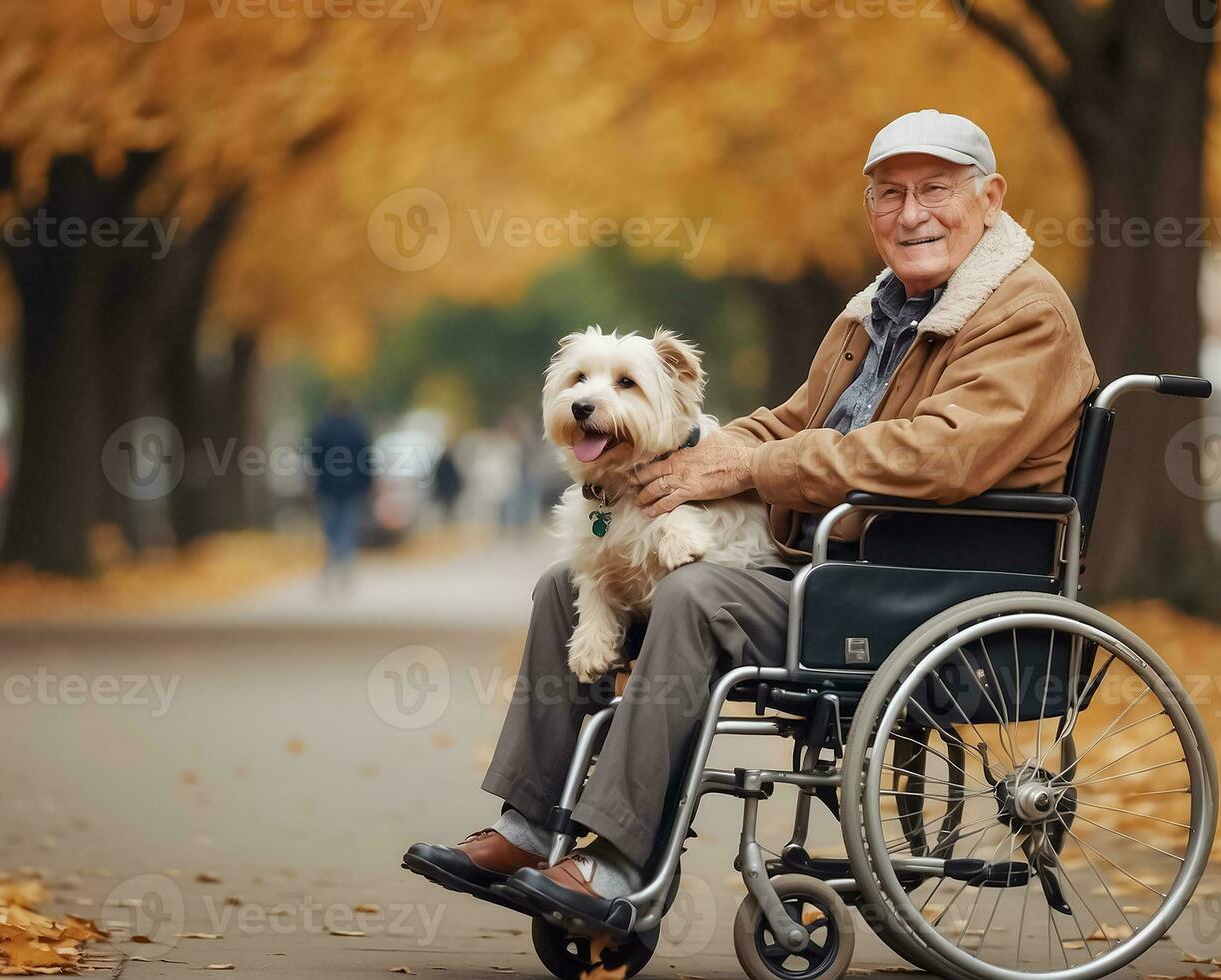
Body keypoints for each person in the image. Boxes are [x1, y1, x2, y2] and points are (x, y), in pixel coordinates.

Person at [404, 110, 1100, 928]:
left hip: (932, 590)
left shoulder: (1024, 312)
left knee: (696, 595)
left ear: (991, 198)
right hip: (838, 575)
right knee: (568, 584)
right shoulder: (876, 313)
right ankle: (529, 826)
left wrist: (748, 467)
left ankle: (619, 864)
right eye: (890, 195)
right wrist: (691, 456)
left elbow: (939, 455)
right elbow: (797, 420)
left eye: (936, 191)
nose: (912, 214)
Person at [308, 397, 372, 592]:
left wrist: (317, 478)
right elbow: (366, 459)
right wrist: (366, 485)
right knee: (347, 526)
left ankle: (332, 560)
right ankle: (344, 563)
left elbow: (314, 456)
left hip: (328, 486)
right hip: (351, 487)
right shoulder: (357, 430)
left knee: (331, 527)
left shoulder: (323, 429)